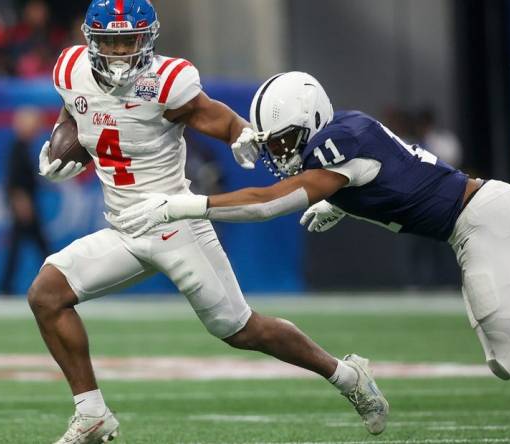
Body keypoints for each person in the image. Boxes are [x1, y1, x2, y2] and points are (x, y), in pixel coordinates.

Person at [28, 3, 388, 443]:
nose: (121, 52)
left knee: (242, 330)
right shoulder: (69, 70)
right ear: (91, 41)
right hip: (124, 228)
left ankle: (347, 376)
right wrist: (60, 146)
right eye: (111, 42)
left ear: (149, 39)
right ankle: (92, 415)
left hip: (175, 224)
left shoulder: (167, 82)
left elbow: (215, 116)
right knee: (47, 294)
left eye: (129, 40)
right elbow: (77, 115)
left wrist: (239, 134)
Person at [118, 71, 510, 397]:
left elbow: (266, 203)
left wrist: (186, 205)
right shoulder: (343, 131)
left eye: (283, 141)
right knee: (508, 352)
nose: (280, 153)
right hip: (481, 215)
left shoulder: (338, 143)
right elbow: (392, 177)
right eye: (273, 144)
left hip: (482, 219)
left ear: (312, 121)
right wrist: (341, 204)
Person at [0, 107, 49, 296]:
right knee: (39, 246)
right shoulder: (18, 148)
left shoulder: (23, 147)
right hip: (25, 205)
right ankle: (57, 281)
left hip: (27, 202)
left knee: (20, 247)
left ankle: (5, 287)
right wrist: (21, 203)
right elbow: (14, 181)